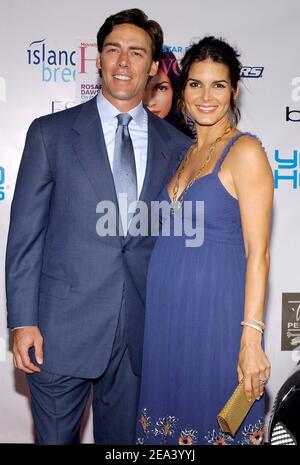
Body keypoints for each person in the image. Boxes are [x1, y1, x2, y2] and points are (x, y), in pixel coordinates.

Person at [5, 8, 192, 445]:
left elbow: (182, 246)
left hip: (139, 338)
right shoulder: (50, 133)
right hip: (57, 332)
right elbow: (25, 237)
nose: (124, 62)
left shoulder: (179, 148)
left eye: (136, 53)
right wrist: (22, 321)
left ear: (152, 66)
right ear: (99, 60)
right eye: (114, 50)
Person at [136, 36, 273, 445]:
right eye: (196, 84)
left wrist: (251, 338)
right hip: (166, 318)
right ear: (182, 91)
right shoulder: (184, 153)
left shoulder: (244, 151)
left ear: (233, 90)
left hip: (215, 317)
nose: (206, 96)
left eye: (218, 84)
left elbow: (259, 254)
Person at [143, 50, 193, 137]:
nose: (150, 102)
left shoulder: (187, 144)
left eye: (161, 88)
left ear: (174, 91)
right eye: (141, 88)